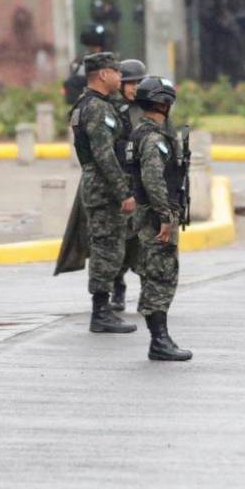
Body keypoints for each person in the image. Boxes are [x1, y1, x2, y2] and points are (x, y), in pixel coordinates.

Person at [70, 52, 138, 334]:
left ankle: (104, 308)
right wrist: (123, 192)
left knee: (109, 247)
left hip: (100, 184)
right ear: (103, 75)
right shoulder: (96, 108)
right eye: (117, 72)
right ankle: (100, 311)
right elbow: (104, 155)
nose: (121, 78)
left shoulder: (94, 104)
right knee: (105, 249)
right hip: (103, 186)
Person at [127, 76, 192, 362]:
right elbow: (153, 180)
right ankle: (159, 341)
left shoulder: (142, 133)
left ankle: (160, 338)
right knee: (160, 276)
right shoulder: (153, 139)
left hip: (150, 214)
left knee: (156, 274)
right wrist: (166, 217)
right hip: (155, 217)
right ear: (164, 104)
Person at [110, 58, 147, 312]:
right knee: (119, 241)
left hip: (145, 184)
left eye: (138, 83)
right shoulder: (112, 111)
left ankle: (149, 291)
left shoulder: (150, 110)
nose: (133, 88)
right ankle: (117, 285)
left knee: (146, 241)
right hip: (121, 184)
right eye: (129, 83)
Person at [64, 23, 110, 106]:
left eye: (94, 46)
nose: (93, 48)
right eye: (91, 46)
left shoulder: (108, 60)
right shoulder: (80, 61)